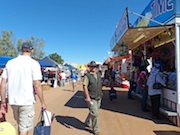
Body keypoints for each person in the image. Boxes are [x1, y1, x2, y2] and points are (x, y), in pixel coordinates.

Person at [0, 42, 47, 135]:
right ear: (32, 50)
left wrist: (3, 101)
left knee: (21, 126)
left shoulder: (10, 63)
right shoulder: (34, 64)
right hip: (26, 101)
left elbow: (3, 84)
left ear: (21, 50)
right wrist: (43, 102)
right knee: (24, 128)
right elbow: (37, 85)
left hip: (13, 101)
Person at [83, 61, 103, 135]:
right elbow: (84, 86)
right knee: (95, 113)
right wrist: (87, 97)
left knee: (94, 111)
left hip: (99, 96)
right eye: (92, 66)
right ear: (90, 67)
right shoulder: (87, 76)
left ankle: (87, 121)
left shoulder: (98, 74)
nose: (93, 68)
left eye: (94, 66)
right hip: (92, 97)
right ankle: (96, 129)